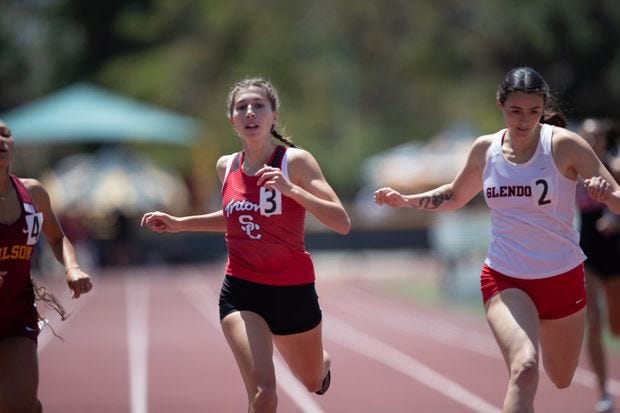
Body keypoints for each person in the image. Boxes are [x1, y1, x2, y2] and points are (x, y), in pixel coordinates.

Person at [374, 66, 620, 413]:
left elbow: (618, 196)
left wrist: (605, 194)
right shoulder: (485, 149)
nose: (524, 120)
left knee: (562, 377)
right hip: (506, 277)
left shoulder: (564, 145)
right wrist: (407, 200)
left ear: (543, 108)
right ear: (500, 105)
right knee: (524, 366)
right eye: (515, 111)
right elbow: (455, 195)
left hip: (562, 278)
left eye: (534, 112)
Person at [141, 78, 350, 412]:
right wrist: (180, 224)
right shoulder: (227, 166)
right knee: (264, 394)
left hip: (293, 291)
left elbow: (341, 222)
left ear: (273, 116)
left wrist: (291, 189)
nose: (250, 112)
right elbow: (234, 217)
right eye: (242, 108)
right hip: (242, 291)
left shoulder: (295, 162)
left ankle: (319, 363)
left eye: (258, 106)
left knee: (311, 381)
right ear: (232, 120)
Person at [0, 121, 93, 413]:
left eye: (5, 134)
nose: (0, 139)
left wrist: (72, 268)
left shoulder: (33, 193)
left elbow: (58, 238)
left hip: (16, 316)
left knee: (20, 403)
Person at [576, 118, 620, 413]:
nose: (591, 142)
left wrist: (615, 218)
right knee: (593, 323)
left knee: (616, 327)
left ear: (604, 141)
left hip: (616, 251)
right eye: (586, 137)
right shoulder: (573, 170)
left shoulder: (616, 167)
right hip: (588, 252)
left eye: (596, 138)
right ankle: (603, 392)